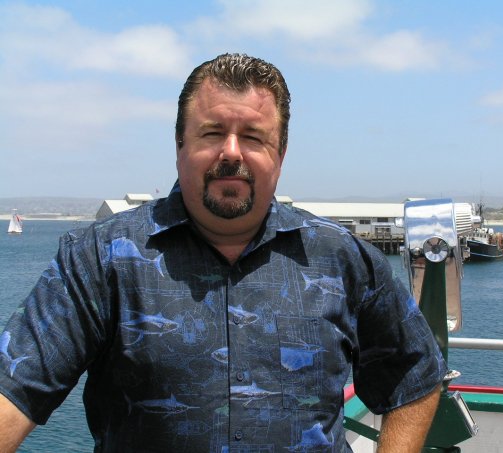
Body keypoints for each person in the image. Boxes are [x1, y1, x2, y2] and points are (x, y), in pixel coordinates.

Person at [0, 53, 446, 452]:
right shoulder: (99, 259)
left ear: (281, 153)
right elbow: (14, 389)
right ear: (179, 147)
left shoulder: (342, 257)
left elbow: (414, 375)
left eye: (253, 137)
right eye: (212, 132)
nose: (231, 153)